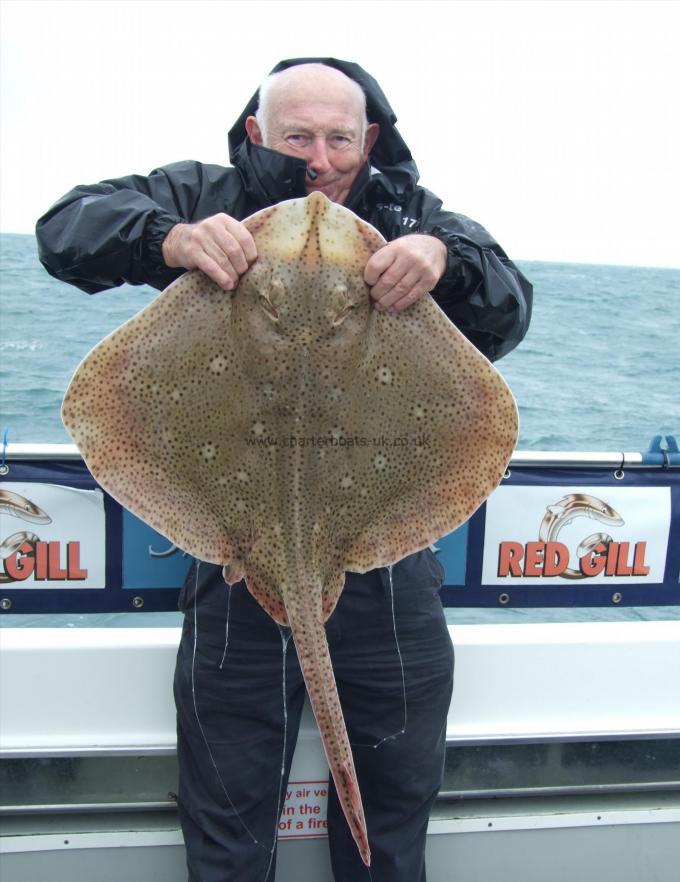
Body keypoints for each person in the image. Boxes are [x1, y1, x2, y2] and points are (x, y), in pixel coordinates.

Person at [36, 58, 532, 882]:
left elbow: (508, 308)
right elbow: (67, 229)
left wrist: (445, 259)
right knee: (229, 823)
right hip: (237, 553)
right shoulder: (202, 196)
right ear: (256, 135)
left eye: (340, 138)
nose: (320, 160)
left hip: (386, 566)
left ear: (369, 139)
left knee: (392, 819)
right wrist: (174, 239)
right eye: (297, 136)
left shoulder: (411, 216)